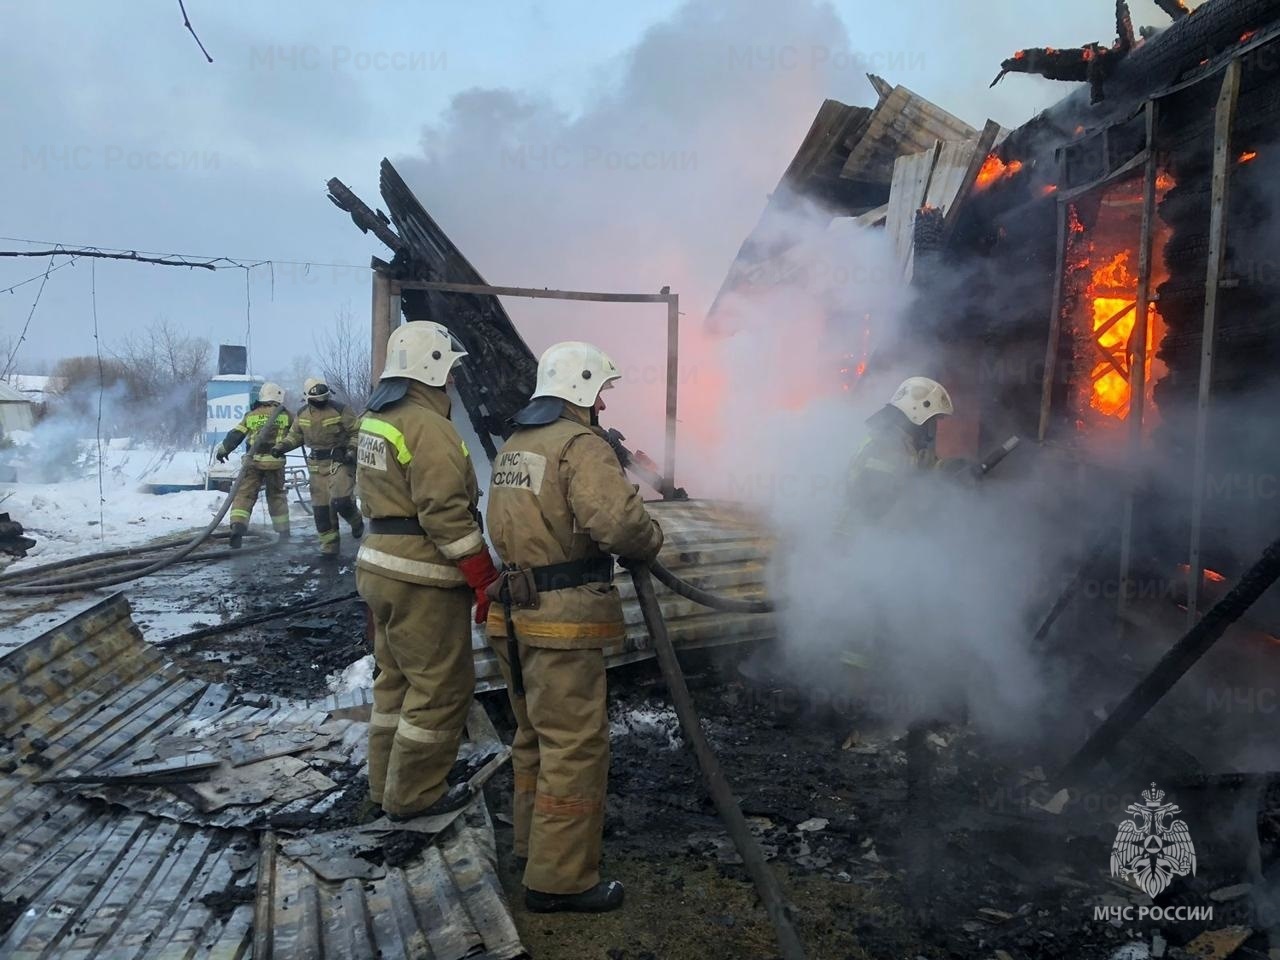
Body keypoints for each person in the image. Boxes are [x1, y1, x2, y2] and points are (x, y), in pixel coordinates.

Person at [485, 340, 663, 914]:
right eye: (601, 394)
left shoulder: (517, 443)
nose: (602, 407)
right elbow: (619, 525)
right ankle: (559, 881)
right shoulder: (578, 445)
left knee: (533, 736)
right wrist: (651, 535)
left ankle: (532, 848)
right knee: (574, 746)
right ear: (582, 387)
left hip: (511, 616)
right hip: (562, 622)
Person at [355, 321, 499, 820]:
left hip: (378, 565)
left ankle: (384, 786)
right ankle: (415, 797)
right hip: (421, 575)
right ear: (430, 367)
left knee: (394, 681)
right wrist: (481, 574)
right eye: (450, 372)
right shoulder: (429, 427)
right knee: (440, 688)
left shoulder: (378, 419)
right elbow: (444, 513)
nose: (454, 383)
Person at [836, 376, 954, 536]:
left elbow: (920, 464)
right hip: (857, 540)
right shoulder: (887, 448)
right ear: (917, 413)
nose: (933, 427)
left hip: (871, 537)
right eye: (932, 420)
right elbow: (872, 508)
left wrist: (950, 468)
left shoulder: (902, 444)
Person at [273, 377, 364, 556]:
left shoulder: (340, 410)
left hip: (340, 462)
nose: (321, 402)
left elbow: (357, 432)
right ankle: (329, 546)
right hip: (316, 467)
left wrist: (351, 451)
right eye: (317, 400)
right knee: (322, 510)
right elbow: (295, 436)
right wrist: (281, 446)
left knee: (341, 500)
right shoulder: (302, 414)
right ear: (307, 398)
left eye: (324, 398)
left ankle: (355, 520)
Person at [214, 382, 294, 548]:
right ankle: (283, 532)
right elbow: (297, 434)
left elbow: (235, 435)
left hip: (252, 462)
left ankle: (238, 527)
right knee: (276, 496)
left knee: (244, 495)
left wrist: (223, 450)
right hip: (274, 463)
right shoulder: (286, 415)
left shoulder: (251, 415)